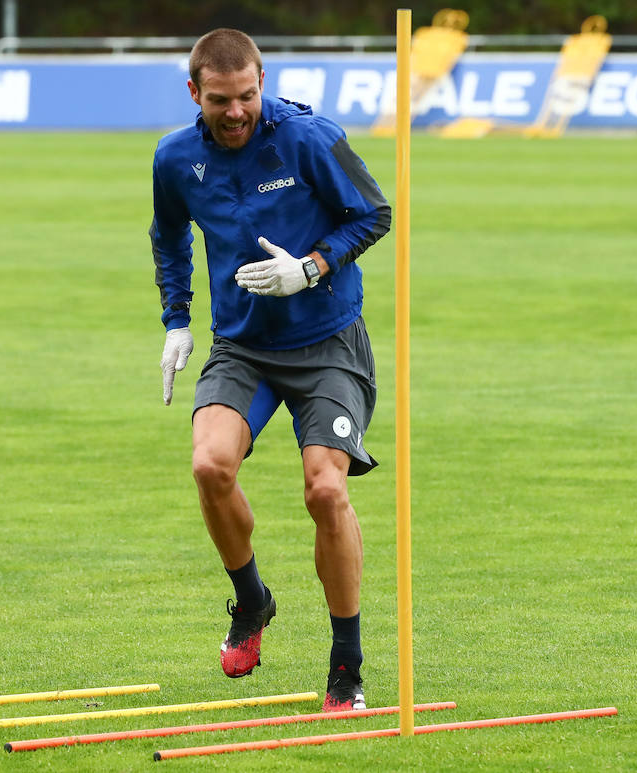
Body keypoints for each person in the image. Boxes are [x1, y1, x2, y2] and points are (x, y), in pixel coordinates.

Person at [150, 28, 392, 712]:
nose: (236, 112)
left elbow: (374, 212)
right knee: (209, 465)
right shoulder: (174, 158)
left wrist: (310, 266)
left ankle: (346, 661)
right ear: (195, 93)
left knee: (324, 490)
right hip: (244, 347)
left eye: (248, 97)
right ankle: (252, 601)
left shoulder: (310, 138)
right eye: (220, 100)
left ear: (263, 84)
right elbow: (168, 234)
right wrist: (176, 319)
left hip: (327, 342)